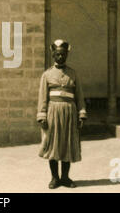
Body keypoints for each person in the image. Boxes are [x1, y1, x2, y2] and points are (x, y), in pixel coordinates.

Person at [36, 39, 87, 189]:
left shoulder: (73, 74)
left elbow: (79, 96)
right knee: (53, 145)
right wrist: (42, 116)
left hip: (70, 113)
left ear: (66, 55)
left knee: (67, 144)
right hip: (53, 112)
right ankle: (54, 178)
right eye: (57, 54)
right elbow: (42, 97)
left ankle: (65, 177)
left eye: (63, 54)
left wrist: (81, 114)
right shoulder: (47, 75)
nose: (60, 57)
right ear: (53, 55)